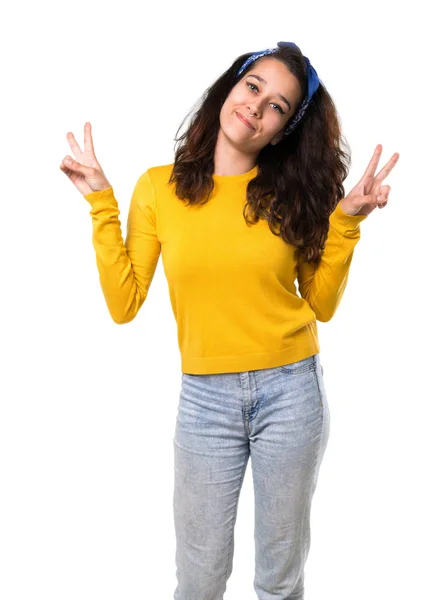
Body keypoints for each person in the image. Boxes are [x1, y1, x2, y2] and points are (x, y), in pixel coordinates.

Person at [60, 41, 399, 600]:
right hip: (204, 402)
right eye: (254, 87)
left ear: (282, 129)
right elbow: (124, 304)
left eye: (279, 107)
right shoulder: (156, 189)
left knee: (279, 580)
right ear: (232, 86)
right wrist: (102, 204)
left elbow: (323, 304)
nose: (258, 107)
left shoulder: (293, 195)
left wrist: (346, 222)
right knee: (198, 579)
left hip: (292, 391)